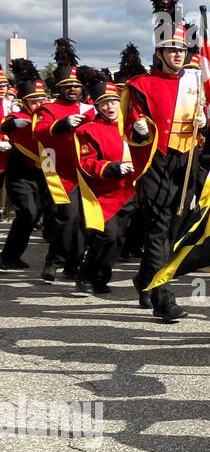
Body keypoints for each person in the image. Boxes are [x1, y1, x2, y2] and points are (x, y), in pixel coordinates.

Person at [123, 5, 204, 324]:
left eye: (182, 49)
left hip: (187, 161)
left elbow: (209, 118)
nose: (178, 55)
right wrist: (138, 126)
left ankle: (144, 278)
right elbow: (131, 121)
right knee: (159, 230)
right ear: (159, 52)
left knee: (174, 229)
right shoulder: (141, 84)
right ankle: (163, 299)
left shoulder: (195, 82)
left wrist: (205, 121)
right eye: (171, 49)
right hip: (157, 159)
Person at [34, 49, 95, 282]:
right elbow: (39, 132)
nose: (73, 89)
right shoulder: (48, 109)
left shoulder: (91, 109)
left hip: (88, 171)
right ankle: (54, 260)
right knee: (68, 217)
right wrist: (62, 124)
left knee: (84, 220)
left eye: (76, 85)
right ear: (59, 88)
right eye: (67, 85)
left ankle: (73, 263)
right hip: (60, 172)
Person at [73, 79, 138, 295]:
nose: (110, 107)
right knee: (106, 236)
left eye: (113, 102)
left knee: (119, 239)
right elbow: (86, 162)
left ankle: (101, 277)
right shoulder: (87, 131)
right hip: (103, 193)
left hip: (129, 190)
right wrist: (111, 167)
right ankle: (85, 273)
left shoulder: (131, 125)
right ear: (97, 106)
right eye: (104, 103)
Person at [1, 62, 49, 270]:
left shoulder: (48, 116)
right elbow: (7, 124)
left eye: (41, 98)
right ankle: (8, 256)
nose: (39, 103)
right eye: (34, 100)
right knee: (27, 213)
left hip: (44, 172)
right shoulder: (18, 116)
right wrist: (13, 125)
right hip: (20, 174)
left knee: (38, 214)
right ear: (24, 102)